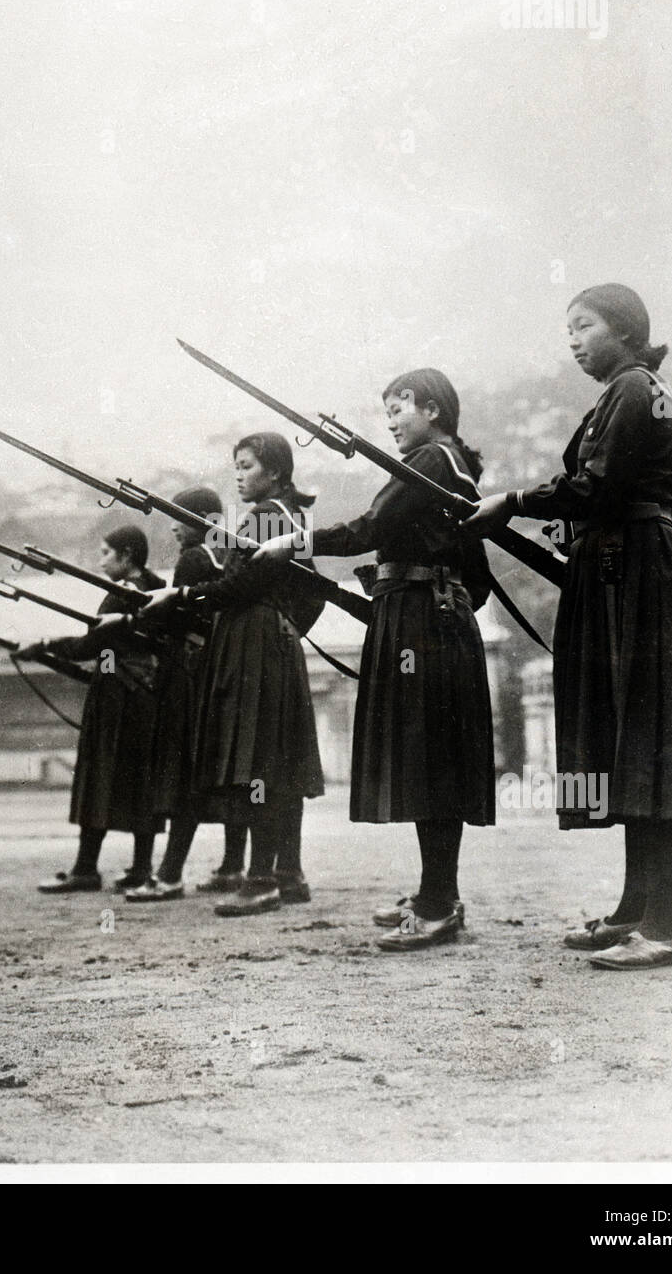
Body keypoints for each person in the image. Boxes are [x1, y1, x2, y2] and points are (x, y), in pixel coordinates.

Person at [462, 284, 672, 969]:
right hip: (623, 567)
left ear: (627, 330)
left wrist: (515, 502)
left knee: (655, 742)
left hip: (639, 573)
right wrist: (567, 519)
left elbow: (600, 485)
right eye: (567, 329)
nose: (573, 339)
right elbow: (601, 490)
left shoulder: (633, 387)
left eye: (584, 325)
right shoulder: (628, 391)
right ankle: (636, 910)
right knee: (636, 744)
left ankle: (665, 926)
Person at [255, 369, 495, 951]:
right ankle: (436, 891)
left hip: (421, 621)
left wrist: (295, 540)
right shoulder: (452, 464)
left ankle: (438, 905)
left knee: (429, 760)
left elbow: (371, 527)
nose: (389, 421)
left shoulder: (434, 460)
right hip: (427, 616)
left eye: (399, 407)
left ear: (433, 410)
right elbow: (480, 580)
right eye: (385, 410)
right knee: (429, 758)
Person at [142, 433, 324, 916]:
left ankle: (261, 878)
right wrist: (286, 629)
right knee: (278, 762)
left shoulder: (268, 516)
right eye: (236, 466)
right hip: (271, 645)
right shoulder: (287, 517)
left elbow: (242, 584)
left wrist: (181, 597)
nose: (238, 475)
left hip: (256, 646)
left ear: (276, 473)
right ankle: (288, 874)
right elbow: (312, 596)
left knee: (258, 760)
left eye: (247, 466)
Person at [19, 523, 166, 894]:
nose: (100, 561)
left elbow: (91, 644)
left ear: (126, 555)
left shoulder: (122, 596)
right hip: (145, 697)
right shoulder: (157, 588)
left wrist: (45, 645)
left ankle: (86, 869)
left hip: (116, 698)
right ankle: (140, 869)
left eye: (105, 553)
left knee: (98, 779)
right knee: (140, 783)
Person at [123, 486, 249, 901]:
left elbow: (179, 620)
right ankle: (233, 866)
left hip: (187, 677)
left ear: (200, 519)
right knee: (226, 773)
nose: (173, 526)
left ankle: (170, 874)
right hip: (219, 672)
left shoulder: (195, 558)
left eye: (179, 517)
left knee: (183, 778)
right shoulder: (226, 554)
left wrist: (145, 617)